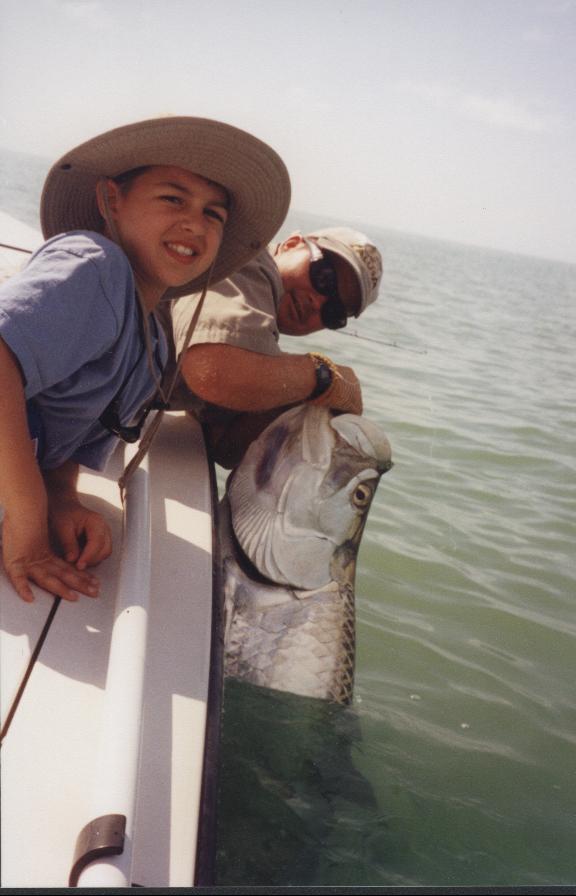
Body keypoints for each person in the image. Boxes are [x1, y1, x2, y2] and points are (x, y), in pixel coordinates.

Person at [0, 116, 290, 603]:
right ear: (111, 200)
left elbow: (72, 437)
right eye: (173, 198)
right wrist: (30, 519)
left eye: (214, 215)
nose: (194, 223)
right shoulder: (97, 267)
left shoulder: (153, 343)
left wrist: (63, 498)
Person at [163, 226, 383, 468]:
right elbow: (213, 373)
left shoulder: (256, 326)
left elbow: (224, 447)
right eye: (325, 278)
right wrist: (321, 376)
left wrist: (297, 400)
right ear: (292, 244)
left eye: (335, 311)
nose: (317, 302)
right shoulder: (249, 261)